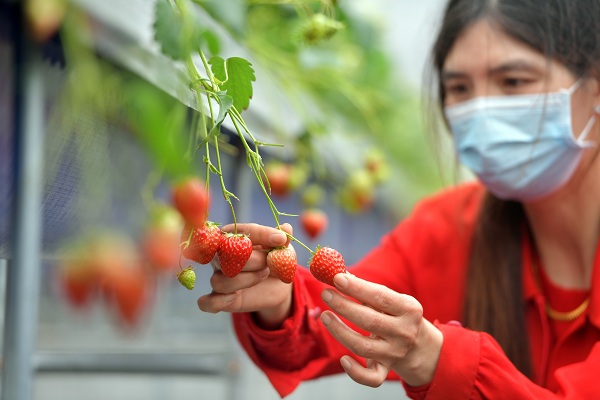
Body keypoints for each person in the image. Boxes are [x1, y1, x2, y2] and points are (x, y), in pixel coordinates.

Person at [198, 0, 600, 398]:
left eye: (513, 81)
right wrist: (281, 303)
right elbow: (331, 323)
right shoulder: (450, 227)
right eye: (460, 88)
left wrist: (440, 360)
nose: (482, 111)